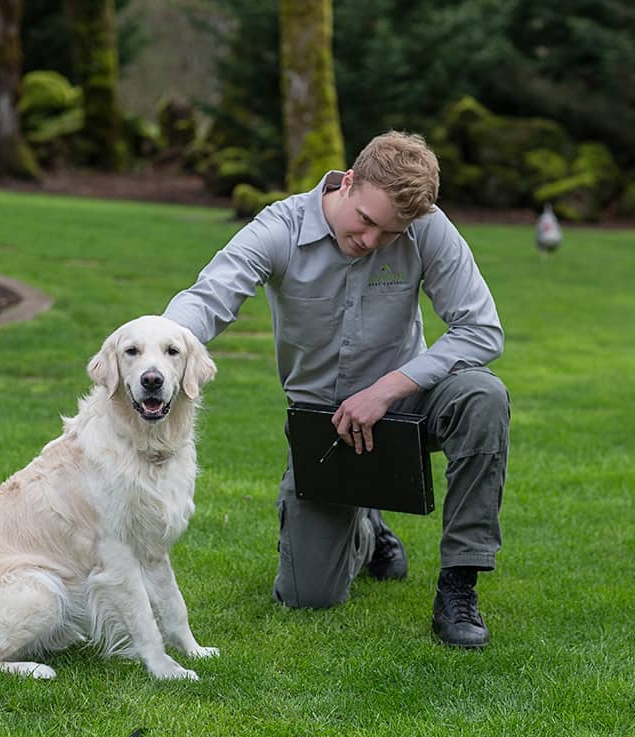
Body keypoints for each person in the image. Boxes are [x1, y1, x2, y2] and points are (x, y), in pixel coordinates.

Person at [163, 130, 509, 648]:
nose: (372, 241)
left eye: (389, 234)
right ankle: (366, 529)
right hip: (323, 423)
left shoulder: (428, 229)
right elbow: (210, 297)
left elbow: (482, 329)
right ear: (347, 182)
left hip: (406, 406)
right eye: (367, 221)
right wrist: (154, 347)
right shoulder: (279, 228)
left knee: (483, 396)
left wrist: (389, 388)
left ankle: (458, 586)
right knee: (308, 595)